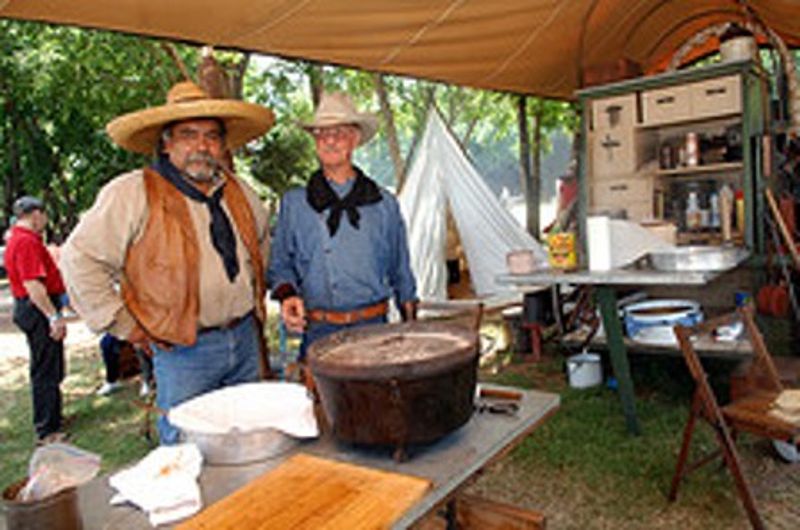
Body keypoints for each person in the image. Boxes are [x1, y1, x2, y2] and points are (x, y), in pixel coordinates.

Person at [61, 81, 274, 444]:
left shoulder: (241, 193)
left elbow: (262, 247)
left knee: (248, 441)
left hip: (244, 340)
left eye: (211, 136)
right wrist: (127, 326)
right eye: (188, 135)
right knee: (185, 453)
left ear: (222, 145)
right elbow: (79, 259)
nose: (201, 146)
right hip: (183, 352)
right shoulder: (133, 193)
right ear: (166, 142)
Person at [268, 91, 417, 359]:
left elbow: (401, 270)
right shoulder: (294, 204)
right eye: (322, 133)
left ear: (356, 139)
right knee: (322, 402)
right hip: (318, 331)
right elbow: (280, 265)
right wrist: (288, 296)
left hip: (373, 330)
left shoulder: (384, 204)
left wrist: (411, 328)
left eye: (340, 132)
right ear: (314, 141)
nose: (331, 140)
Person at [5, 196, 69, 444]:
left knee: (50, 365)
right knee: (45, 370)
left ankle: (53, 416)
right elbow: (33, 285)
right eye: (43, 214)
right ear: (35, 214)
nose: (45, 220)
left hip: (34, 308)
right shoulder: (25, 242)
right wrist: (53, 316)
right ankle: (47, 430)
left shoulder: (21, 240)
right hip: (37, 308)